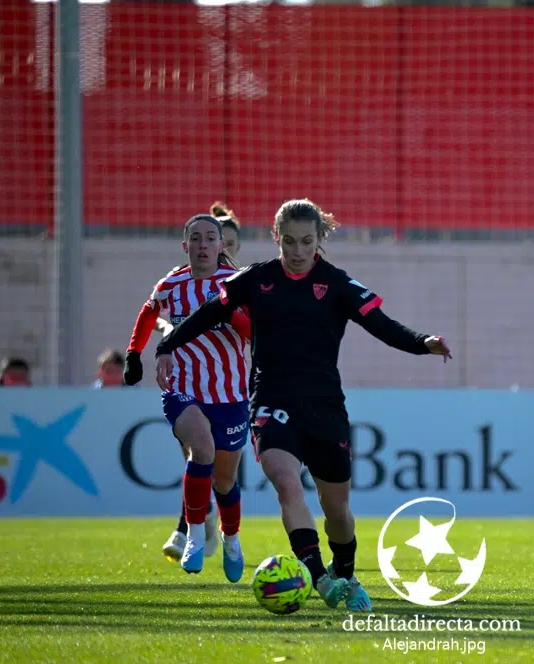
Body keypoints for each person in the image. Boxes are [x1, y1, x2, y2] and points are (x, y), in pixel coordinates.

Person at [154, 198, 452, 612]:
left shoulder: (337, 284)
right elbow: (208, 314)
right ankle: (319, 579)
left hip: (325, 408)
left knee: (338, 511)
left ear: (319, 240)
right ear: (276, 237)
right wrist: (167, 345)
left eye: (306, 242)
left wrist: (423, 343)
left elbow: (382, 326)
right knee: (286, 484)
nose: (297, 251)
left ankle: (344, 570)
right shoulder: (255, 279)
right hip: (270, 402)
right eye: (289, 241)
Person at [123, 213, 252, 582]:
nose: (202, 245)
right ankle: (194, 533)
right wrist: (134, 353)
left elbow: (251, 329)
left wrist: (234, 318)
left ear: (221, 245)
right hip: (183, 387)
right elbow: (149, 313)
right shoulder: (172, 284)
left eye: (210, 238)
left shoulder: (235, 283)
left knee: (225, 481)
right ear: (185, 246)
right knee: (202, 450)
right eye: (195, 239)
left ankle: (231, 538)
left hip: (229, 392)